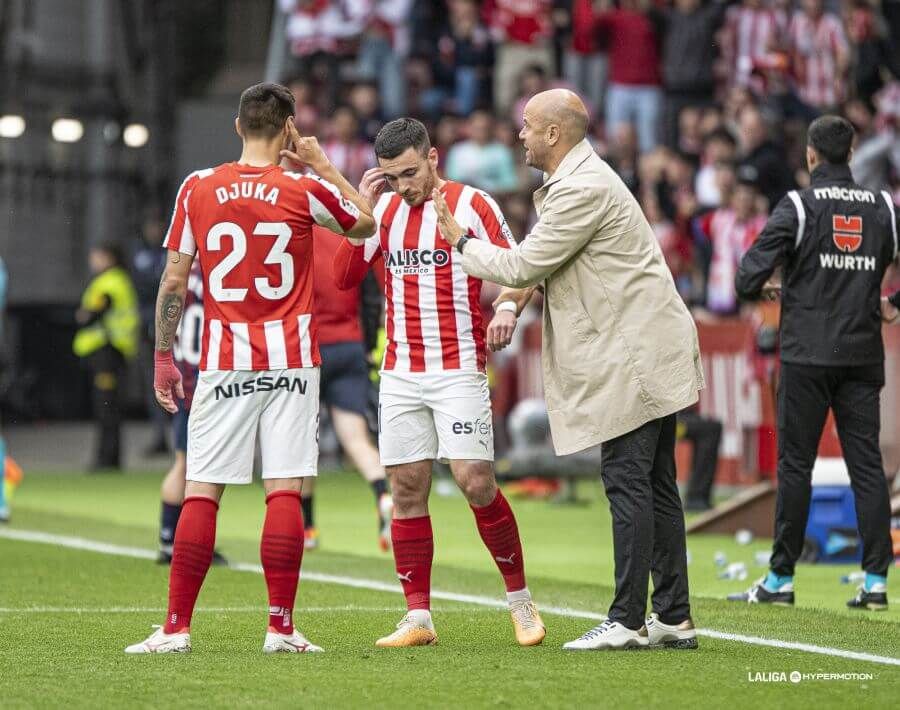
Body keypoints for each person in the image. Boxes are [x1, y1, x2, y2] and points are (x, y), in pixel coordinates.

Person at [432, 89, 705, 651]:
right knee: (655, 484)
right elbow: (540, 264)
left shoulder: (581, 188)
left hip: (634, 353)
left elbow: (524, 263)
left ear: (554, 133)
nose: (520, 135)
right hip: (646, 345)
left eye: (528, 125)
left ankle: (628, 620)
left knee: (629, 481)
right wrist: (510, 305)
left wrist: (460, 240)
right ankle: (673, 615)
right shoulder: (583, 180)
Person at [125, 82, 375, 655]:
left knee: (201, 490)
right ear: (289, 130)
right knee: (284, 488)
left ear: (238, 126)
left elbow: (173, 281)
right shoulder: (304, 188)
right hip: (292, 361)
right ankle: (280, 629)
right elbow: (366, 223)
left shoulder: (198, 186)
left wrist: (163, 357)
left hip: (223, 361)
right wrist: (322, 163)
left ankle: (176, 628)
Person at [332, 117, 546, 648]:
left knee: (475, 481)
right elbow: (342, 278)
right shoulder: (382, 212)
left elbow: (522, 267)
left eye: (409, 173)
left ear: (433, 157)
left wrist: (507, 309)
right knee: (406, 489)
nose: (402, 186)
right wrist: (362, 209)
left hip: (458, 368)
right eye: (391, 177)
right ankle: (418, 618)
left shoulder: (473, 204)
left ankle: (521, 603)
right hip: (401, 370)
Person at [729, 115, 897, 612]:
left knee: (795, 466)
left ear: (810, 155)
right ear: (852, 154)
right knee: (867, 467)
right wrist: (893, 302)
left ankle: (780, 578)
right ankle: (876, 583)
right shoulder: (884, 207)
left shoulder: (799, 206)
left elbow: (746, 278)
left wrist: (773, 286)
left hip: (807, 355)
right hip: (862, 354)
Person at [302, 225, 393, 552]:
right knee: (355, 438)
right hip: (350, 345)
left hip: (308, 348)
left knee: (303, 443)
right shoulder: (348, 236)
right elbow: (370, 296)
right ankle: (383, 493)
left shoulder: (298, 233)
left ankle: (307, 527)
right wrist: (366, 346)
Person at [155, 259, 227, 567]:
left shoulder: (182, 274)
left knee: (188, 463)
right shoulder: (215, 272)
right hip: (204, 377)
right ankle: (177, 541)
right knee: (192, 466)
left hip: (185, 374)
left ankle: (171, 539)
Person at [73, 244, 140, 471]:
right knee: (109, 406)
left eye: (97, 256)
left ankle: (106, 459)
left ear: (109, 258)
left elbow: (92, 314)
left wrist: (84, 315)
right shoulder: (117, 280)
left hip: (107, 353)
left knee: (106, 406)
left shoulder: (110, 283)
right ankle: (110, 458)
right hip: (112, 352)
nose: (93, 260)